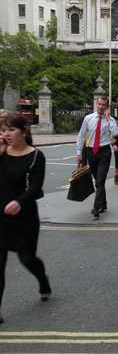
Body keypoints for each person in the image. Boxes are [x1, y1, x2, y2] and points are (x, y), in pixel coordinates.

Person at [0, 113, 52, 325]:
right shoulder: (1, 153)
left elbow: (36, 186)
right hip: (0, 215)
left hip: (24, 216)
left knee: (27, 259)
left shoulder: (36, 156)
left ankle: (43, 280)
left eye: (11, 130)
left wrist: (19, 202)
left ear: (24, 131)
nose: (6, 134)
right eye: (3, 130)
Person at [76, 96, 118, 219]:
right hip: (91, 152)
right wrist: (79, 153)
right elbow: (81, 136)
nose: (101, 107)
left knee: (100, 181)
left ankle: (96, 208)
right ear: (96, 104)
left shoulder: (110, 120)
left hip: (104, 152)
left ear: (107, 107)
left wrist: (109, 119)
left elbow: (116, 133)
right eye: (99, 104)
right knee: (98, 181)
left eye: (103, 105)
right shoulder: (88, 118)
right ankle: (104, 203)